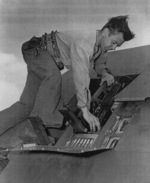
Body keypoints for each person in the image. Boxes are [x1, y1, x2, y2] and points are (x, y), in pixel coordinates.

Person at [0, 15, 135, 136]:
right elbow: (81, 75)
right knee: (53, 77)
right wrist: (85, 109)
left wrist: (105, 73)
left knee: (25, 106)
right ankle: (34, 129)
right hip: (36, 50)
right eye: (114, 42)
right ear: (106, 32)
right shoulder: (84, 43)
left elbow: (99, 64)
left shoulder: (101, 47)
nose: (114, 47)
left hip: (40, 57)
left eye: (117, 46)